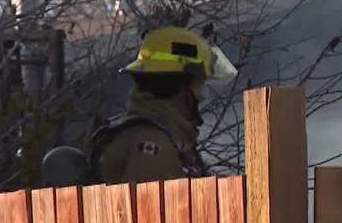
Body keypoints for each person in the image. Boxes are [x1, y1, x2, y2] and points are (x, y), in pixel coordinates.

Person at [76, 26, 236, 184]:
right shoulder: (151, 145)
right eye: (199, 85)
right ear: (179, 87)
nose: (201, 96)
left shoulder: (166, 138)